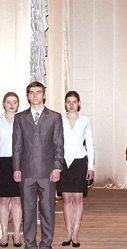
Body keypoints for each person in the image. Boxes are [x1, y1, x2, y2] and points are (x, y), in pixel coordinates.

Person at [13, 82, 64, 249]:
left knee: (47, 210)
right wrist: (16, 168)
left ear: (44, 95)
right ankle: (30, 244)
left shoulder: (55, 117)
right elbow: (17, 146)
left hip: (47, 172)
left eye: (38, 92)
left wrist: (57, 168)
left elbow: (58, 145)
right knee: (28, 212)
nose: (35, 96)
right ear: (27, 96)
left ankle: (46, 244)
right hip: (26, 172)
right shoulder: (20, 118)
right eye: (32, 93)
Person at [57, 91, 95, 247]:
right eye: (68, 102)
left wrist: (90, 166)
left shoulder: (85, 120)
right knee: (66, 199)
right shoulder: (58, 119)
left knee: (78, 199)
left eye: (74, 102)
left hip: (80, 161)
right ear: (65, 103)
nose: (71, 105)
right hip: (63, 161)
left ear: (79, 103)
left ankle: (76, 233)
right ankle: (68, 232)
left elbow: (90, 144)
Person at [0, 92, 22, 248]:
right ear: (3, 104)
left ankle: (16, 234)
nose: (12, 105)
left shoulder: (22, 122)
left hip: (18, 163)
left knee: (17, 200)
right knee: (3, 200)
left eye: (15, 102)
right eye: (8, 102)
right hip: (2, 162)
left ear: (19, 104)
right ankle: (4, 235)